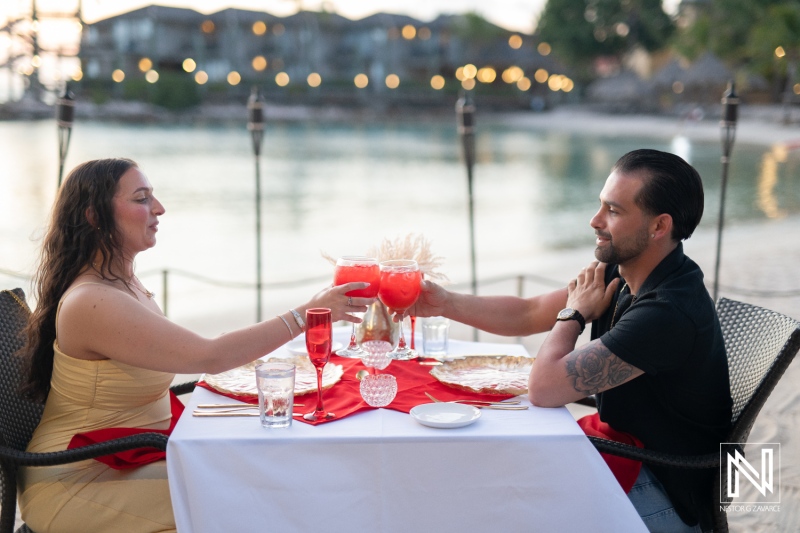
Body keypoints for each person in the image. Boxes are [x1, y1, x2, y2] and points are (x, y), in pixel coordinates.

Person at [17, 158, 374, 533]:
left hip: (129, 457)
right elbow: (209, 355)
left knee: (269, 476)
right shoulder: (93, 301)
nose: (159, 208)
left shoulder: (125, 285)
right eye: (142, 199)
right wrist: (307, 314)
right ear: (94, 217)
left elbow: (203, 350)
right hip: (77, 480)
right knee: (255, 498)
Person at [408, 149, 732, 532]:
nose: (595, 221)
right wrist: (444, 303)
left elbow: (544, 388)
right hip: (626, 450)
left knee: (501, 510)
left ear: (659, 226)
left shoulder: (667, 313)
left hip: (666, 491)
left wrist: (575, 315)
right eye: (600, 205)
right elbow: (529, 312)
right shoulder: (625, 268)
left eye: (613, 211)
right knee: (488, 483)